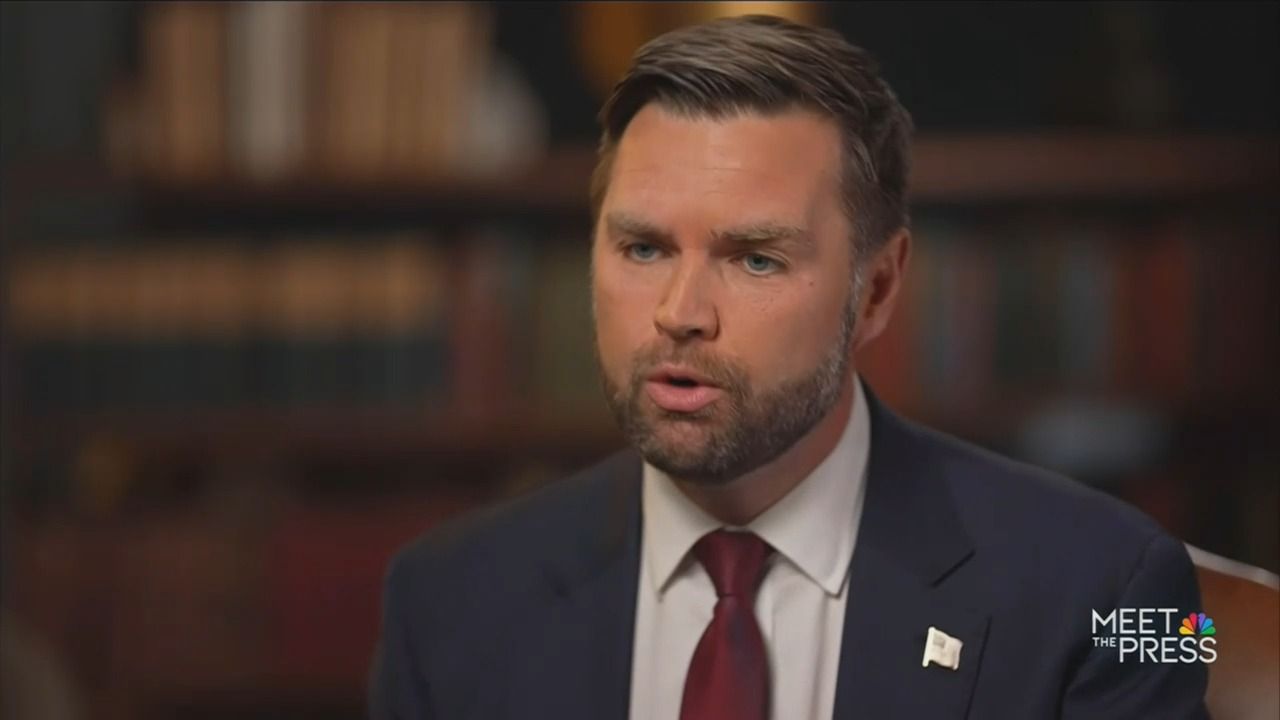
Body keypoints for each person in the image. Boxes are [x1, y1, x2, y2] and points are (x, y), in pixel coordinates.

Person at [369, 14, 1209, 719]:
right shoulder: (445, 602)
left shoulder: (1113, 589)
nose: (680, 312)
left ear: (876, 288)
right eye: (643, 247)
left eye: (755, 259)